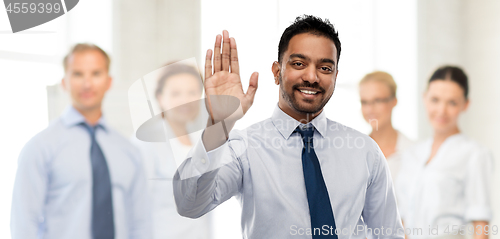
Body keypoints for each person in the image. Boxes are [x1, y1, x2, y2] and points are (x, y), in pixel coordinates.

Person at [172, 15, 404, 238]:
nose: (312, 77)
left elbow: (388, 234)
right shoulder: (244, 147)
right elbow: (190, 205)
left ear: (335, 76)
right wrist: (219, 124)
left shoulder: (365, 152)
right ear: (276, 72)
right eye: (299, 63)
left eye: (325, 68)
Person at [10, 43, 151, 239]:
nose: (87, 84)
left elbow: (141, 224)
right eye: (77, 74)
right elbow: (24, 224)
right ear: (64, 82)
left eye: (96, 73)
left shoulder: (129, 151)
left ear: (108, 82)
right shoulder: (40, 147)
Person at [396, 66, 493, 239]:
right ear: (424, 98)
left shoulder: (475, 154)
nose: (442, 110)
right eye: (435, 100)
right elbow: (402, 218)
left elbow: (480, 223)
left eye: (452, 102)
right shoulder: (412, 154)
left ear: (466, 104)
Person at [131, 63, 214, 239]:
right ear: (160, 98)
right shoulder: (145, 143)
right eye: (176, 93)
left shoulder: (201, 141)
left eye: (192, 92)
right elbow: (136, 208)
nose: (186, 100)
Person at [359, 71, 413, 180]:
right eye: (364, 102)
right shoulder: (354, 152)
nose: (370, 109)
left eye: (377, 100)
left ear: (394, 101)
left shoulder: (413, 152)